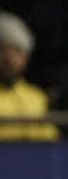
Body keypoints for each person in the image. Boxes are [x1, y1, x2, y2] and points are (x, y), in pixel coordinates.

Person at [0, 11, 56, 140]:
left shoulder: (36, 97)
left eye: (17, 51)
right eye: (2, 50)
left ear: (26, 58)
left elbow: (48, 140)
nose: (9, 59)